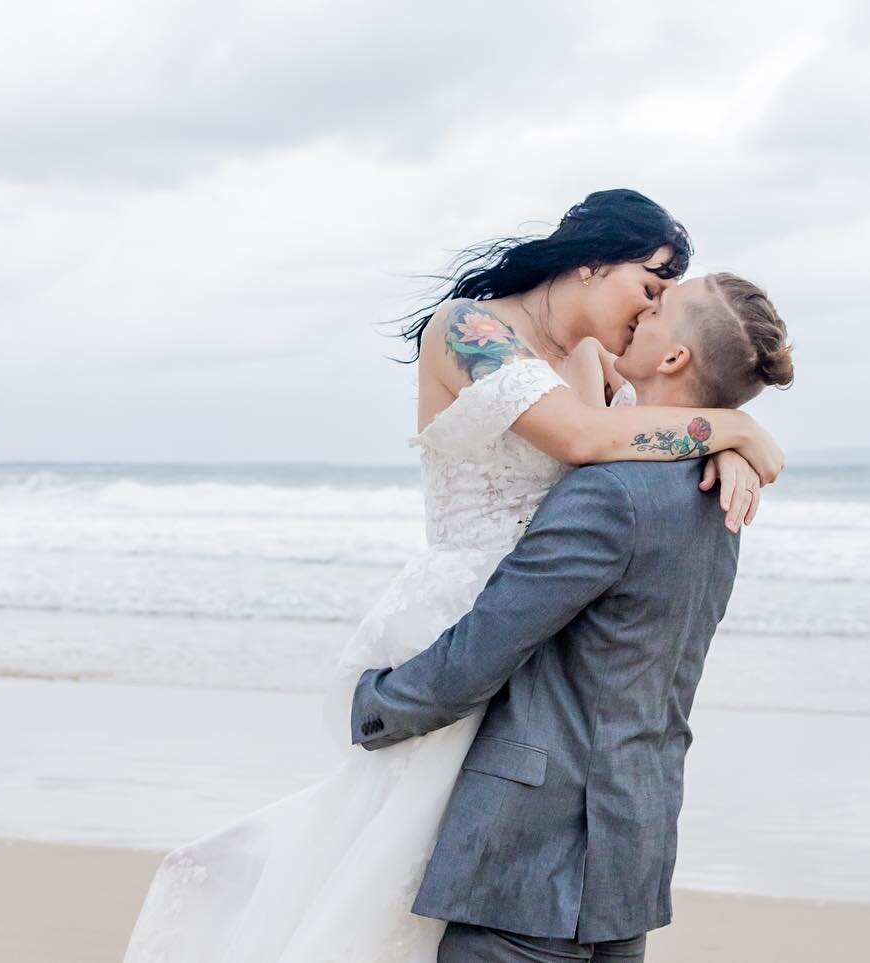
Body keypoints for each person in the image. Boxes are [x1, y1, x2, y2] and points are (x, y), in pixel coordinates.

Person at [121, 190, 791, 963]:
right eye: (648, 287)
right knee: (373, 877)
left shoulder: (598, 367)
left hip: (532, 647)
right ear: (593, 262)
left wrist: (727, 439)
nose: (649, 312)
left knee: (440, 874)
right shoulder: (470, 328)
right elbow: (584, 437)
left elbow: (653, 413)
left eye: (662, 303)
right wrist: (736, 428)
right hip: (463, 628)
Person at [352, 272, 795, 961]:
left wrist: (376, 704)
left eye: (659, 310)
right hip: (631, 852)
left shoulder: (608, 491)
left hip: (530, 862)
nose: (643, 314)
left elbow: (485, 647)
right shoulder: (717, 493)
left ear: (675, 358)